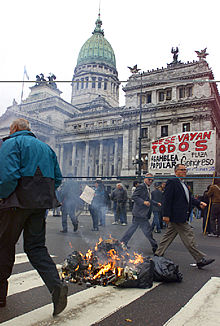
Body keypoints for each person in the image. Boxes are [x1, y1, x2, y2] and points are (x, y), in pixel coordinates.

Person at [0, 118, 68, 315]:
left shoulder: (11, 142)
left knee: (4, 245)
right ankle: (56, 286)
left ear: (13, 129)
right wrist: (40, 195)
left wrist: (3, 195)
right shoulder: (47, 148)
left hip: (15, 204)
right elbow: (57, 178)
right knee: (36, 248)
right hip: (39, 206)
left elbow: (7, 176)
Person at [155, 164, 215, 269]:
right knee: (189, 236)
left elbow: (188, 198)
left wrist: (198, 203)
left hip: (180, 215)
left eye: (185, 170)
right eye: (181, 170)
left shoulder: (183, 184)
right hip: (177, 215)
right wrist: (165, 215)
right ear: (176, 171)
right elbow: (167, 199)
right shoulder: (172, 182)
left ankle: (157, 255)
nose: (184, 172)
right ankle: (200, 259)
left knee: (168, 236)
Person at [120, 173, 159, 253]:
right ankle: (155, 247)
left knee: (133, 229)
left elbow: (148, 200)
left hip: (141, 213)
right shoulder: (141, 186)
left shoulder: (147, 188)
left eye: (152, 180)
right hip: (140, 213)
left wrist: (156, 203)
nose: (151, 181)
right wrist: (143, 202)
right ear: (145, 179)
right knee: (147, 231)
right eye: (149, 179)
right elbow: (134, 196)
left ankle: (122, 243)